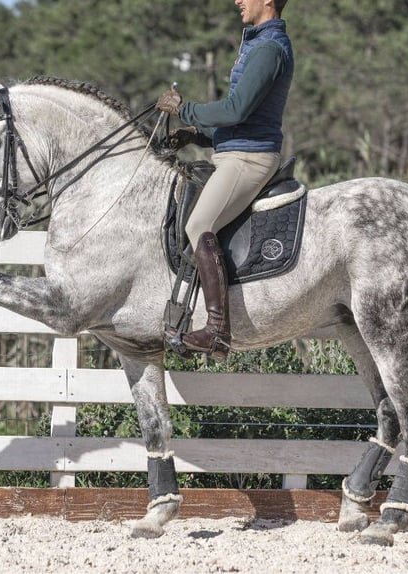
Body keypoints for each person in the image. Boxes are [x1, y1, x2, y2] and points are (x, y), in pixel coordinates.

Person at [156, 0, 293, 360]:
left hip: (250, 158)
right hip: (234, 150)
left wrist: (185, 109)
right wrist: (195, 133)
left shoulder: (268, 48)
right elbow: (240, 119)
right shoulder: (256, 42)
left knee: (200, 224)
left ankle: (216, 331)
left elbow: (236, 110)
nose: (237, 0)